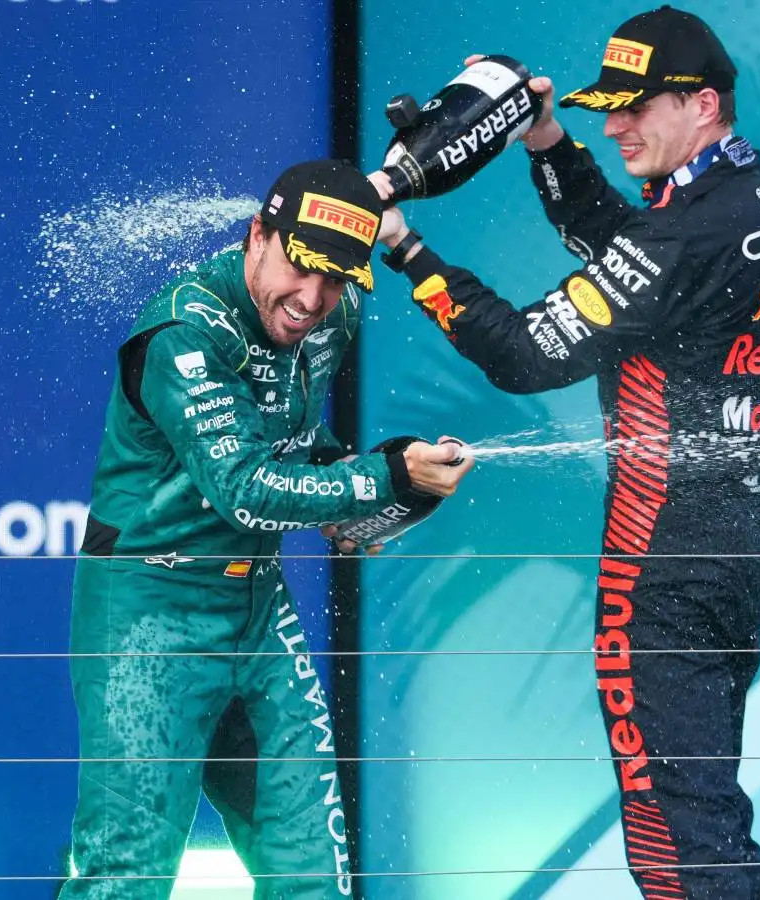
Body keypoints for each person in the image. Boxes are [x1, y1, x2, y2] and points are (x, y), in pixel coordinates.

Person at [368, 7, 760, 899]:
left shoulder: (685, 233)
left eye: (633, 108)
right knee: (709, 818)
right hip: (740, 550)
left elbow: (528, 355)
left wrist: (408, 251)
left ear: (702, 104)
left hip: (661, 570)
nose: (613, 127)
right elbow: (630, 256)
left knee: (676, 838)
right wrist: (544, 141)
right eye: (604, 108)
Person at [60, 159, 474, 900]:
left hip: (257, 611)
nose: (312, 299)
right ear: (259, 233)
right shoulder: (185, 331)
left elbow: (288, 446)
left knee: (312, 874)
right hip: (148, 617)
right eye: (302, 267)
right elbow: (245, 492)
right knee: (124, 878)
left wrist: (361, 499)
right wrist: (383, 479)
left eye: (337, 279)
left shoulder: (332, 318)